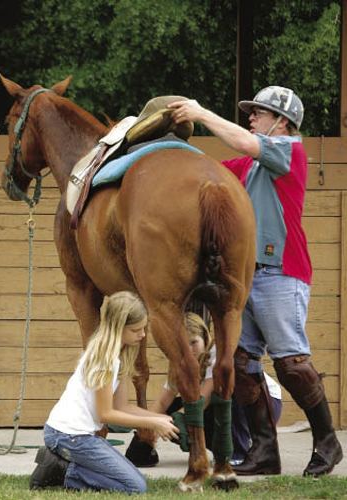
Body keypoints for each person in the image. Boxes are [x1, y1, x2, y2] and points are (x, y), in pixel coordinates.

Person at [167, 86, 343, 477]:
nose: (251, 117)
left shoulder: (291, 150)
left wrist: (200, 111)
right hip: (244, 276)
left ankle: (328, 443)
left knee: (292, 364)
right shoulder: (248, 167)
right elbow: (207, 170)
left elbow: (244, 140)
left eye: (258, 112)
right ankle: (265, 452)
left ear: (282, 122)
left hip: (281, 271)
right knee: (243, 364)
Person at [29, 291, 179, 493]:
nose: (143, 335)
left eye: (144, 328)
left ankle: (66, 465)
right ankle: (62, 470)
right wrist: (152, 423)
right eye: (136, 330)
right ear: (119, 327)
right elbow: (106, 414)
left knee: (132, 480)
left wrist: (159, 417)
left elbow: (121, 406)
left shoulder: (118, 356)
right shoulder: (104, 360)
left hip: (80, 437)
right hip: (69, 436)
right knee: (136, 487)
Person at [127, 312, 282, 465]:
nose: (189, 349)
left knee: (225, 395)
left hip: (263, 405)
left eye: (193, 342)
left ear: (205, 338)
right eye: (183, 345)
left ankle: (237, 453)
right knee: (172, 409)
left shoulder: (216, 352)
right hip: (223, 405)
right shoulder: (179, 364)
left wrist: (170, 422)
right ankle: (225, 445)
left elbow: (203, 400)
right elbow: (161, 404)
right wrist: (146, 432)